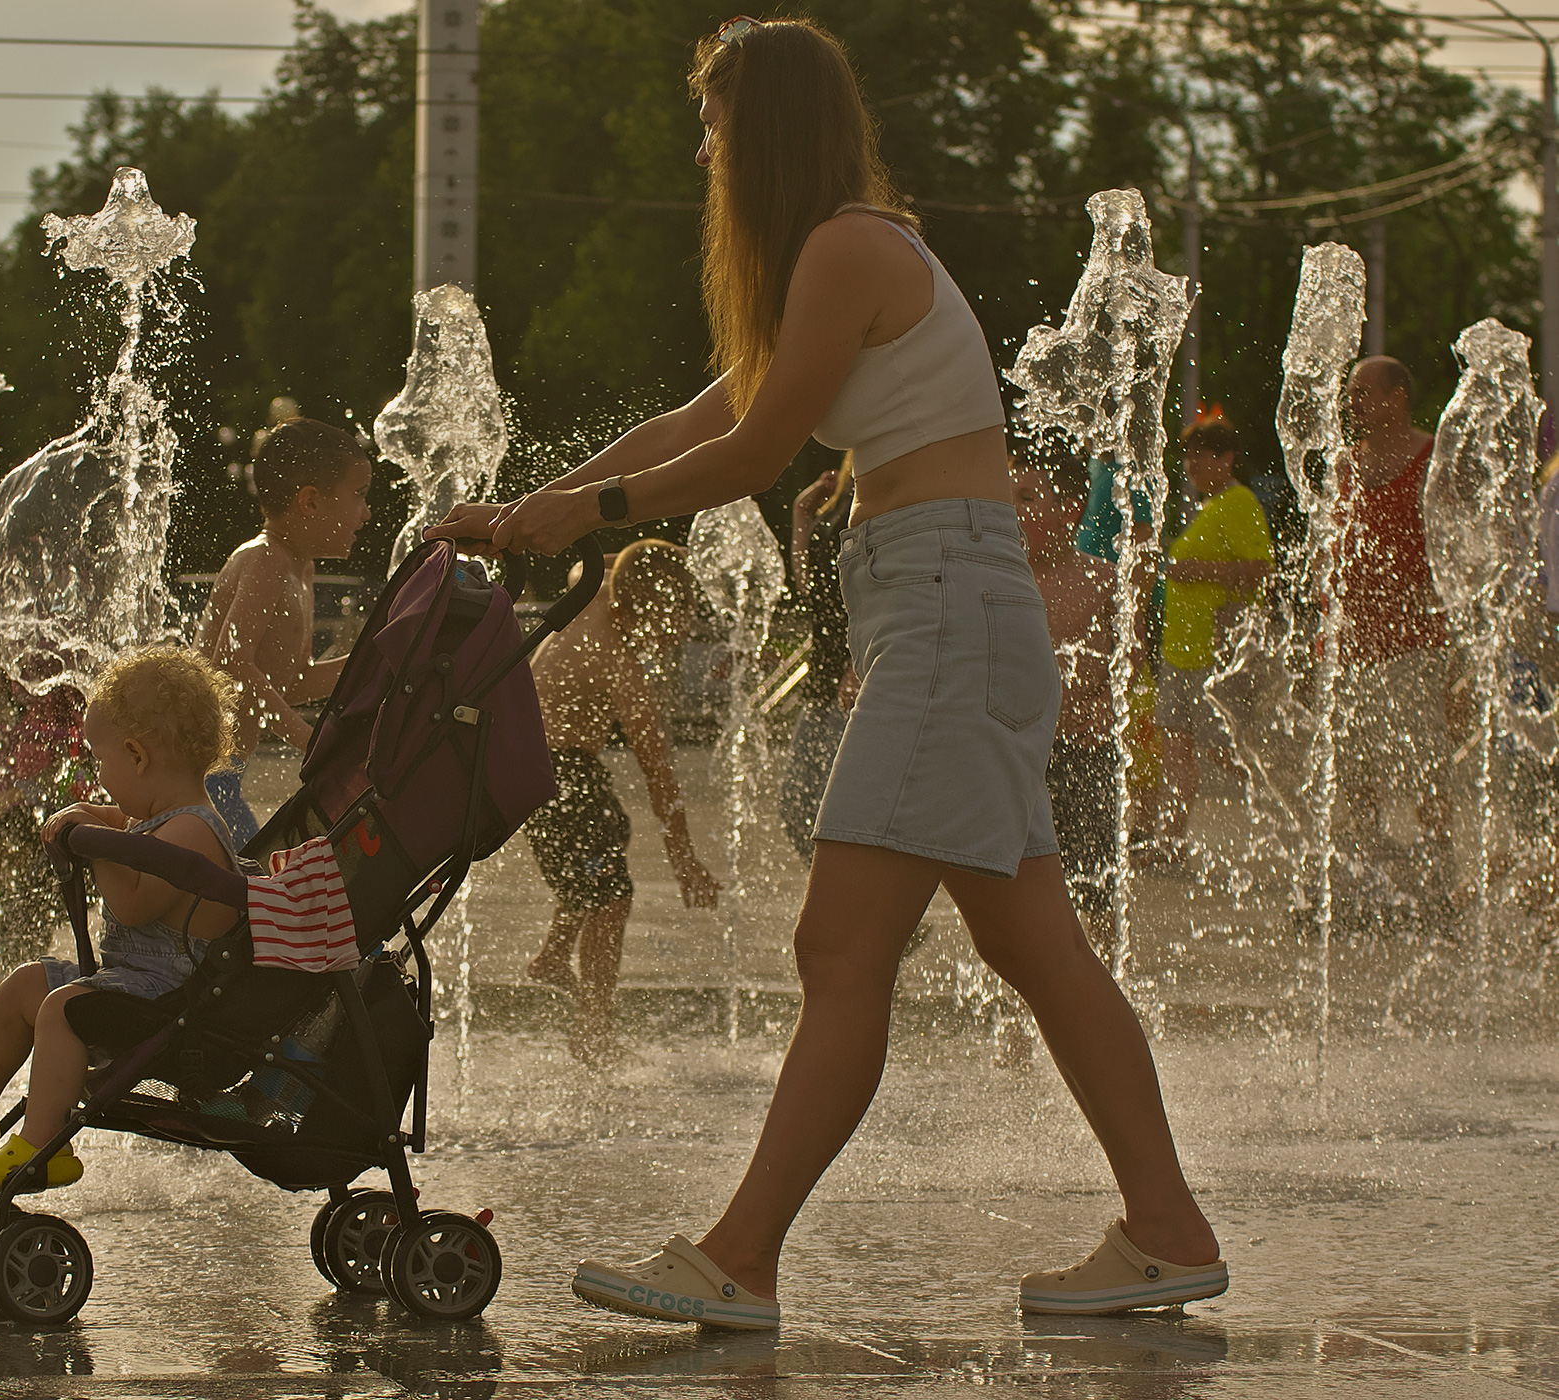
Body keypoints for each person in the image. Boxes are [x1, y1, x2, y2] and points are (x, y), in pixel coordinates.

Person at [430, 16, 1222, 1325]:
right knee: (1036, 947)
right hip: (945, 608)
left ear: (767, 130)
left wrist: (590, 512)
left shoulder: (851, 246)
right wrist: (534, 507)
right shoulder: (830, 261)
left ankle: (741, 1254)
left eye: (716, 122)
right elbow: (708, 417)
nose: (702, 148)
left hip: (948, 611)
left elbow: (757, 455)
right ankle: (1166, 1226)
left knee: (840, 944)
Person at [0, 645, 240, 1190]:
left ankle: (43, 1147)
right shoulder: (159, 817)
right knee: (29, 983)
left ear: (138, 756)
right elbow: (115, 819)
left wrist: (97, 848)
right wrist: (85, 816)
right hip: (134, 984)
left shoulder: (193, 831)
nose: (99, 776)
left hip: (174, 999)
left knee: (66, 1008)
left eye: (101, 762)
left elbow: (132, 904)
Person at [520, 539, 721, 1065]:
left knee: (606, 840)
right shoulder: (620, 662)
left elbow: (585, 563)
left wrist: (653, 556)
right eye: (673, 617)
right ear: (639, 610)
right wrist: (684, 860)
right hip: (551, 774)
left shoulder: (593, 591)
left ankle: (553, 956)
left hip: (542, 767)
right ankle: (593, 1030)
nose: (682, 630)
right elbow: (658, 773)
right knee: (611, 898)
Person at [195, 418, 373, 847]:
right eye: (359, 496)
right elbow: (229, 666)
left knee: (252, 885)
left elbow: (290, 683)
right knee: (252, 885)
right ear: (310, 502)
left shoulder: (301, 568)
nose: (366, 514)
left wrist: (374, 660)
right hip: (194, 775)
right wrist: (309, 740)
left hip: (224, 772)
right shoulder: (266, 560)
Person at [1339, 356, 1457, 878]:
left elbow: (1457, 549)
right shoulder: (1345, 464)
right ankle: (1368, 863)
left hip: (1416, 638)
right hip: (1352, 641)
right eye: (1351, 392)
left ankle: (1435, 862)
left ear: (1397, 398)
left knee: (1426, 759)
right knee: (1356, 763)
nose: (1351, 402)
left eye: (1362, 392)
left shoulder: (1433, 459)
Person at [1144, 416, 1273, 857]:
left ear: (1227, 458)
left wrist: (1197, 571)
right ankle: (1170, 840)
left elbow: (1260, 572)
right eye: (1188, 455)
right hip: (1179, 649)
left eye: (1201, 454)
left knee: (1228, 752)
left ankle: (1287, 807)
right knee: (1175, 749)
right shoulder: (1211, 506)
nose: (1191, 464)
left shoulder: (1239, 503)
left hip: (1209, 654)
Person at [1016, 456, 1120, 961]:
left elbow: (1129, 667)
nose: (1012, 511)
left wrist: (1099, 706)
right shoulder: (1002, 584)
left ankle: (1102, 1001)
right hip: (1018, 760)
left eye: (1029, 500)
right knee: (1012, 899)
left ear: (1073, 509)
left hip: (1084, 755)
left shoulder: (1103, 583)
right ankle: (1011, 1035)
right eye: (1007, 498)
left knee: (1094, 893)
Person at [778, 455, 857, 856]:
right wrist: (801, 516)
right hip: (825, 681)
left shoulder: (884, 496)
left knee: (836, 818)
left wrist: (859, 665)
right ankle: (875, 915)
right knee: (799, 811)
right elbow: (811, 588)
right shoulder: (842, 503)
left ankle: (874, 915)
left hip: (855, 682)